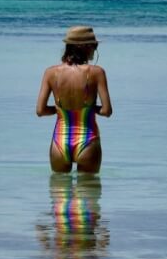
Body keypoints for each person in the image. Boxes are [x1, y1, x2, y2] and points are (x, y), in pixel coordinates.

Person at [36, 25, 113, 173]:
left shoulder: (50, 73)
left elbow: (40, 110)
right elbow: (107, 111)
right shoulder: (97, 73)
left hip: (59, 141)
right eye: (94, 45)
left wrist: (61, 109)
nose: (95, 49)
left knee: (59, 190)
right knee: (88, 190)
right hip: (88, 139)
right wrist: (88, 109)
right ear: (82, 46)